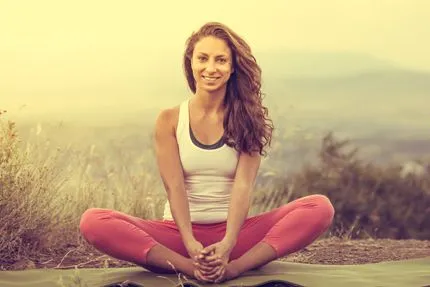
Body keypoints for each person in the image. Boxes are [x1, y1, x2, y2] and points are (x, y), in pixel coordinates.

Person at [79, 22, 335, 283]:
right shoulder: (169, 120)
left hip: (236, 239)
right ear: (191, 62)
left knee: (319, 207)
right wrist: (190, 245)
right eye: (203, 58)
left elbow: (242, 187)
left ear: (232, 67)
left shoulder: (248, 119)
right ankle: (191, 268)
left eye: (221, 60)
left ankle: (234, 269)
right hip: (178, 237)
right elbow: (174, 186)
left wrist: (227, 245)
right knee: (94, 221)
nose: (211, 68)